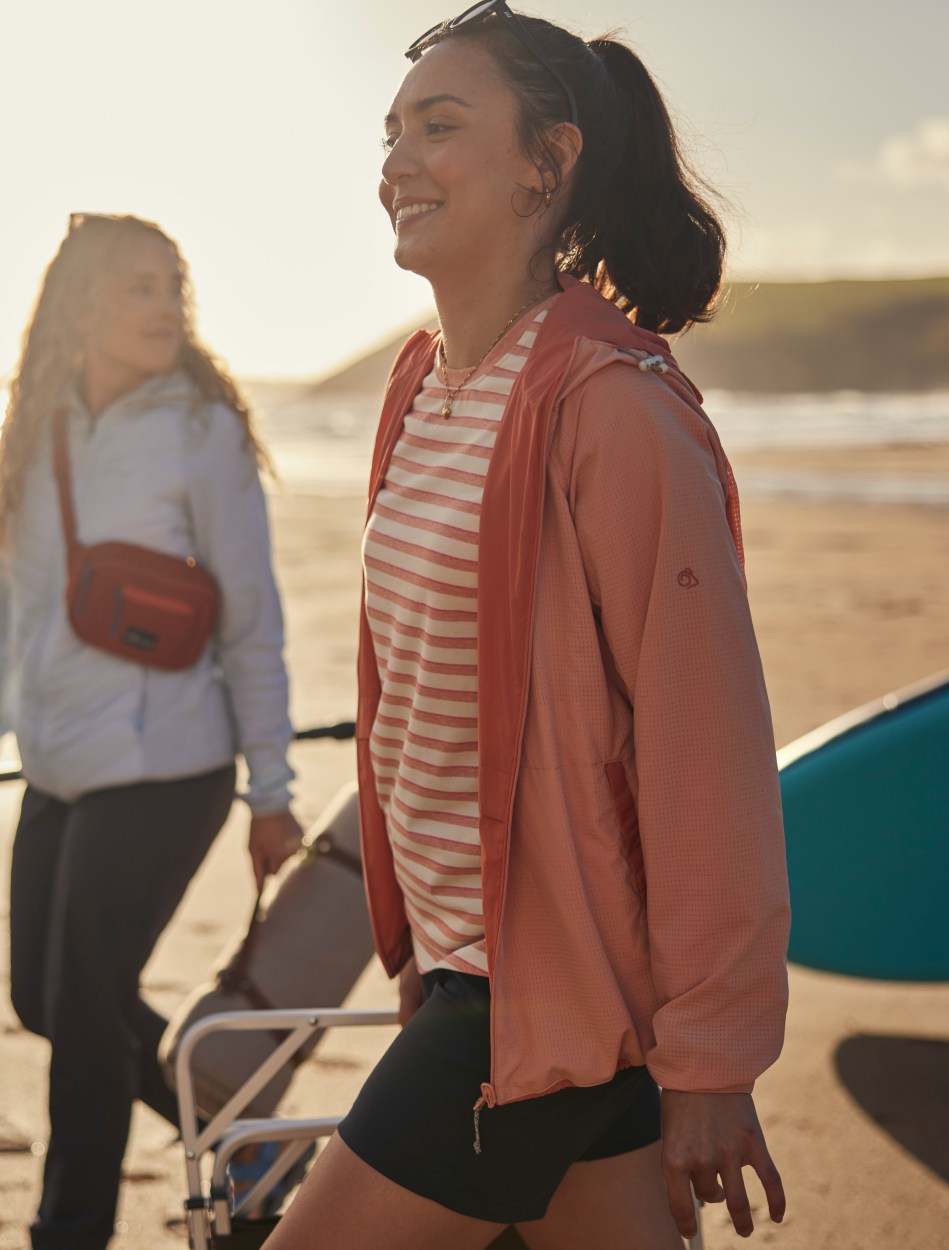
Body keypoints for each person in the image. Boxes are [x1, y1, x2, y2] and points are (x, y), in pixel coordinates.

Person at [267, 6, 790, 1248]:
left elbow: (704, 745)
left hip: (536, 996)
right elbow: (413, 700)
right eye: (392, 131)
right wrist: (413, 939)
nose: (397, 161)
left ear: (547, 162)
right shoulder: (421, 387)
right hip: (468, 969)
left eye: (440, 127)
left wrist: (713, 1055)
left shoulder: (616, 411)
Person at [2, 212, 303, 1250]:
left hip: (168, 764)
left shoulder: (200, 431)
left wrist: (271, 789)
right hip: (59, 766)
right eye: (138, 285)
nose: (165, 304)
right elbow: (19, 610)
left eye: (173, 284)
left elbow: (251, 616)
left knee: (86, 1008)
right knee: (40, 996)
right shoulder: (38, 427)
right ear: (79, 303)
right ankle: (251, 1133)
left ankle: (67, 1231)